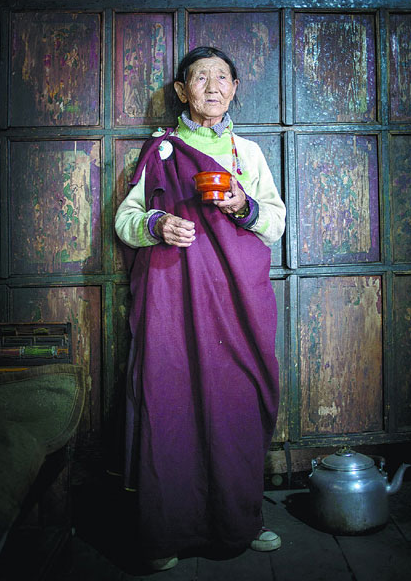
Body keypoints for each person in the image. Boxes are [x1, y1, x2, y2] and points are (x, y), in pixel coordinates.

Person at [115, 46, 286, 571]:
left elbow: (275, 224)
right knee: (170, 406)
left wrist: (244, 205)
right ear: (180, 90)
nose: (212, 86)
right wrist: (157, 226)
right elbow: (125, 218)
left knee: (236, 406)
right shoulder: (160, 150)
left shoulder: (247, 153)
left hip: (236, 301)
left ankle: (241, 520)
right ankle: (167, 531)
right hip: (172, 296)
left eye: (222, 78)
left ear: (234, 88)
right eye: (200, 77)